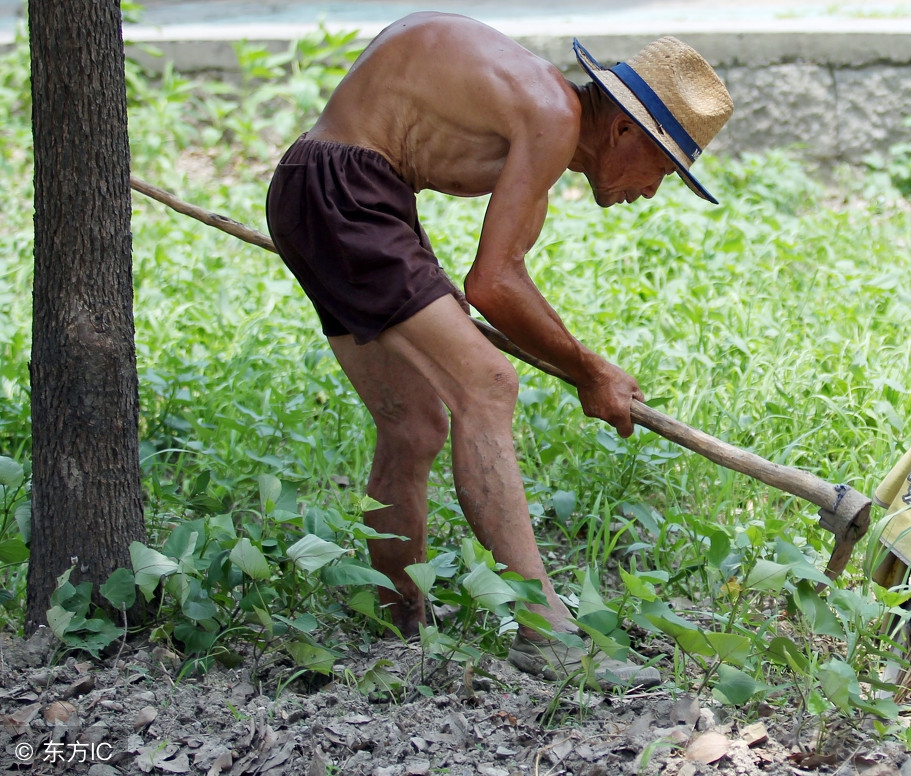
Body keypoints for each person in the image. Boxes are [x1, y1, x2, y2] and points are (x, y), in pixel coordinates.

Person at [265, 12, 732, 686]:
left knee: (415, 422)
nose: (650, 191)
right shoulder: (550, 112)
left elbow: (506, 287)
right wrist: (587, 369)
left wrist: (587, 369)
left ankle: (392, 611)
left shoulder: (543, 133)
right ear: (623, 128)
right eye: (661, 167)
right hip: (346, 192)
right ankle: (544, 631)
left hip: (332, 190)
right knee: (488, 384)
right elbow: (491, 286)